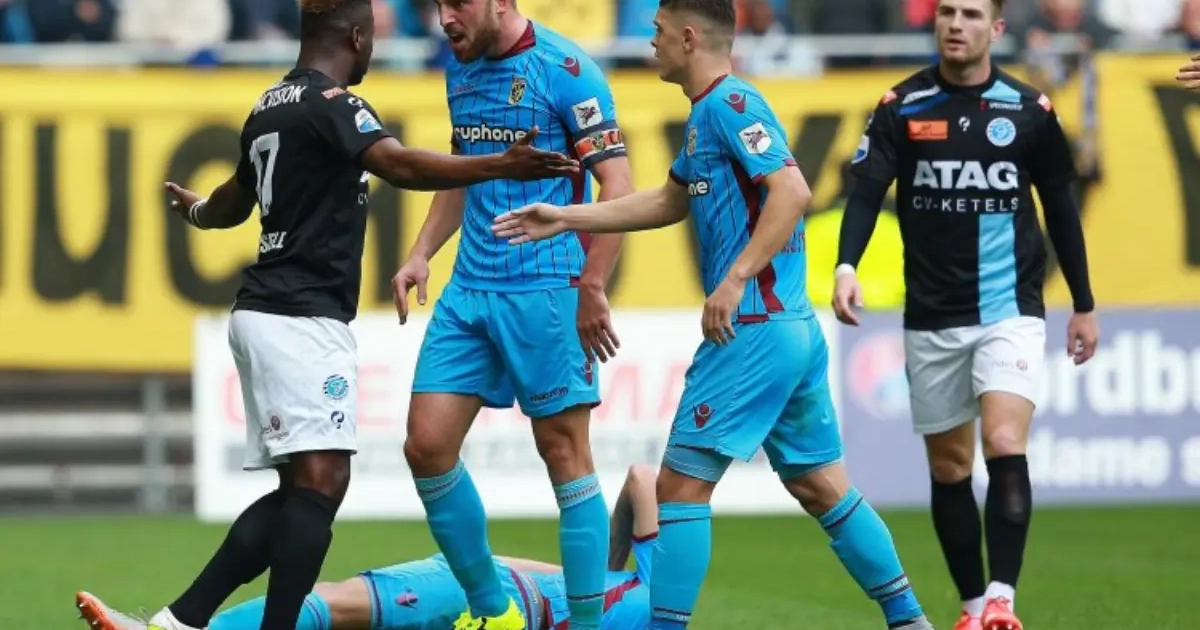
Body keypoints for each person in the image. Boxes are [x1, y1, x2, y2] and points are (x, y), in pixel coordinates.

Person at [489, 2, 934, 629]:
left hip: (751, 329)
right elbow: (666, 202)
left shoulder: (732, 105)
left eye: (659, 31)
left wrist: (735, 278)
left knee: (679, 489)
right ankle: (910, 620)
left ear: (690, 37)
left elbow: (792, 191)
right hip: (787, 330)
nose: (651, 41)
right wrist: (565, 216)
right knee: (821, 486)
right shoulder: (706, 115)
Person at [142, 1, 577, 629]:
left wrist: (194, 211)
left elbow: (232, 203)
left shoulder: (268, 105)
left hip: (265, 312)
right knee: (322, 484)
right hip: (299, 316)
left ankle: (181, 620)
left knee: (303, 490)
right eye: (370, 38)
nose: (372, 50)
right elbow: (399, 164)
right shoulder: (334, 104)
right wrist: (499, 166)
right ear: (354, 36)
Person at [832, 1, 1100, 629]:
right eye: (947, 11)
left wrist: (1084, 304)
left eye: (972, 14)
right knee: (949, 468)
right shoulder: (902, 105)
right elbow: (866, 192)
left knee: (1004, 442)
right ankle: (973, 605)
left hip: (1011, 307)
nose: (957, 23)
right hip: (932, 314)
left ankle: (1003, 599)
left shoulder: (1029, 111)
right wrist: (846, 265)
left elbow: (1061, 209)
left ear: (996, 29)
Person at [387, 2, 636, 630]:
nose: (444, 17)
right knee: (426, 446)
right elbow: (462, 172)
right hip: (469, 289)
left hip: (546, 288)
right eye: (436, 5)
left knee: (563, 453)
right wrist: (420, 253)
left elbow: (618, 186)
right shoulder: (459, 66)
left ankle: (586, 625)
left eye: (456, 3)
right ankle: (494, 613)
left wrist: (592, 283)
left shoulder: (568, 71)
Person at [74, 464, 658, 630]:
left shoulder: (657, 594)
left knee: (333, 605)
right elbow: (642, 478)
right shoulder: (659, 602)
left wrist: (605, 569)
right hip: (502, 596)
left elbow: (643, 479)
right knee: (338, 608)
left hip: (500, 599)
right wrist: (602, 573)